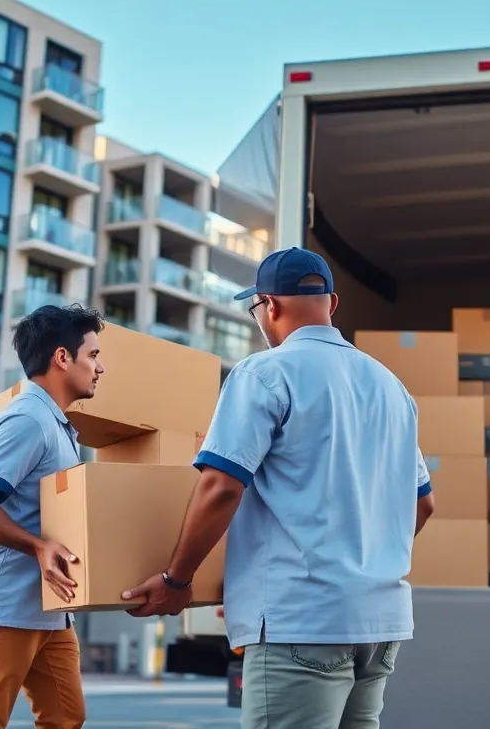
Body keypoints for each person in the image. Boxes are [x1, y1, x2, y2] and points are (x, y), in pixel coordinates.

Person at [121, 247, 436, 729]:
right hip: (379, 621)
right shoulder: (392, 388)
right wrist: (363, 564)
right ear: (332, 304)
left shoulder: (266, 373)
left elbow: (221, 487)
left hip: (301, 620)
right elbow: (424, 504)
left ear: (268, 305)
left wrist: (175, 582)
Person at [0, 304, 106, 729]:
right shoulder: (28, 419)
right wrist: (38, 546)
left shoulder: (56, 425)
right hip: (4, 603)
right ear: (61, 358)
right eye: (92, 355)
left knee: (65, 717)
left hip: (49, 608)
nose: (100, 367)